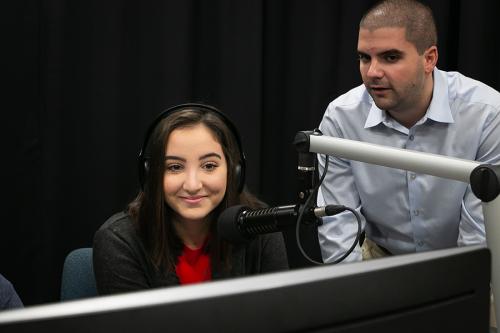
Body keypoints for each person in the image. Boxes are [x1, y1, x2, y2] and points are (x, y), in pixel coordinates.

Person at [317, 0, 500, 263]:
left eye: (390, 57)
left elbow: (478, 239)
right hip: (382, 260)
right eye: (364, 57)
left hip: (468, 263)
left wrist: (463, 298)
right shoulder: (341, 118)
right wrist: (353, 298)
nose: (372, 72)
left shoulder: (487, 114)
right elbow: (338, 229)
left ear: (429, 59)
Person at [93, 104, 288, 295]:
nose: (192, 185)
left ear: (234, 172)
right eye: (175, 167)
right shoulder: (120, 240)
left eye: (209, 166)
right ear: (151, 175)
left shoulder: (262, 228)